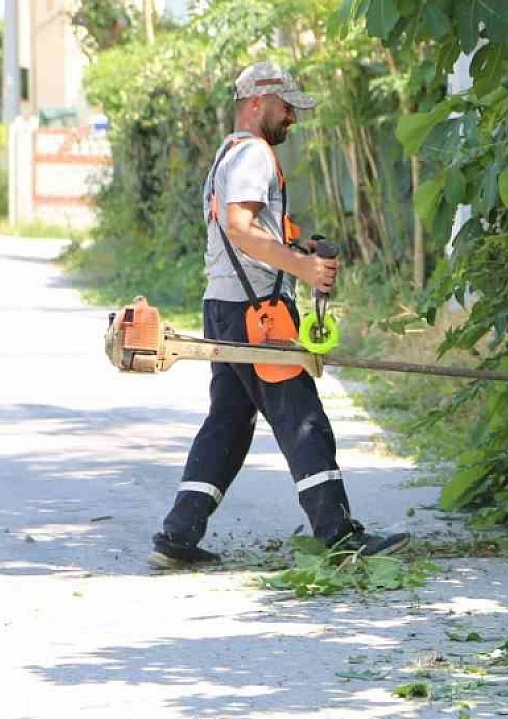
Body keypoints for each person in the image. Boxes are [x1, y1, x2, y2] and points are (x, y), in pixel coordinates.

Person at [149, 61, 410, 569]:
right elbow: (242, 228)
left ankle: (178, 535)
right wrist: (304, 267)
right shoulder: (253, 153)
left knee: (227, 422)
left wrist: (294, 245)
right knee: (302, 419)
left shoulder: (229, 154)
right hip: (257, 313)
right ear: (256, 103)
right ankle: (338, 537)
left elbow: (247, 234)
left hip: (225, 306)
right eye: (285, 105)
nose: (291, 115)